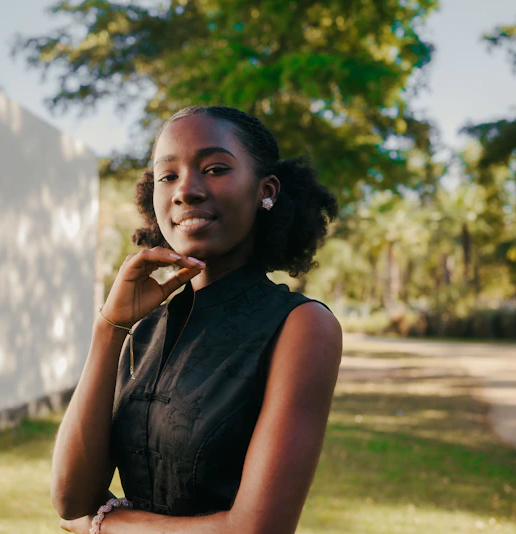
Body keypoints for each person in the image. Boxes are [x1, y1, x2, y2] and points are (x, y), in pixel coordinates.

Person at [53, 105, 343, 534]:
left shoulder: (300, 326)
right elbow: (71, 498)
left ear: (267, 190)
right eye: (167, 176)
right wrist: (109, 327)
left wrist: (105, 526)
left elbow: (255, 529)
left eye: (214, 168)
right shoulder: (145, 330)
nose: (185, 190)